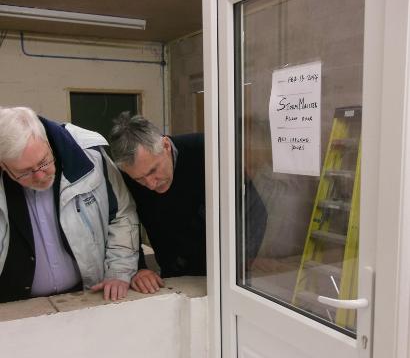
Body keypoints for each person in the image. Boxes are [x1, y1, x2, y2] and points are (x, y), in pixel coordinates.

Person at [109, 113, 267, 294]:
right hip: (173, 274)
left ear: (166, 146)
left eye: (153, 170)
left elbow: (255, 209)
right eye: (140, 179)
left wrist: (244, 258)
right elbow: (127, 222)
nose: (151, 184)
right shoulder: (126, 177)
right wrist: (139, 268)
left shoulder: (208, 151)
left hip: (229, 273)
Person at [0, 106, 139, 303]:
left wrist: (119, 271)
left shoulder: (90, 155)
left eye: (43, 162)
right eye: (25, 172)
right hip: (14, 307)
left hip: (86, 296)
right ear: (3, 165)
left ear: (47, 142)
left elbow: (122, 214)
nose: (40, 176)